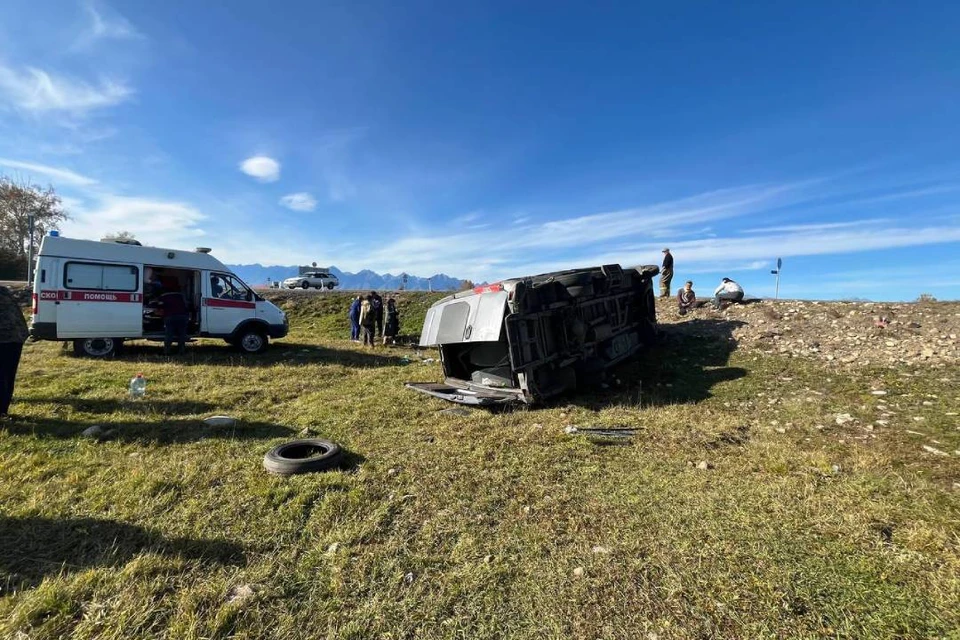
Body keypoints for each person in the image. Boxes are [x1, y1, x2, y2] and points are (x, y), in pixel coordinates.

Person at [0, 286, 28, 419]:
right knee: (7, 376)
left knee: (3, 376)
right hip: (16, 337)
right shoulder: (4, 292)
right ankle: (3, 410)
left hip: (5, 338)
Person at [159, 285, 190, 355]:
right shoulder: (180, 295)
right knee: (182, 334)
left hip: (170, 317)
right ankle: (181, 351)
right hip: (182, 316)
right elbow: (187, 305)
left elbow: (160, 308)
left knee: (169, 334)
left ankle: (167, 351)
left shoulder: (163, 296)